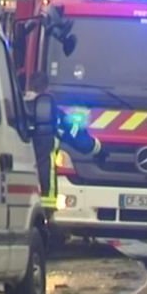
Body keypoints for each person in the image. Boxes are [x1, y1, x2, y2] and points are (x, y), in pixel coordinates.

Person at [25, 72, 105, 215]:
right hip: (45, 192)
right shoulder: (52, 112)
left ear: (29, 85)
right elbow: (75, 135)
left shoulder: (17, 107)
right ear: (46, 88)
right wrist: (98, 149)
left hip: (18, 189)